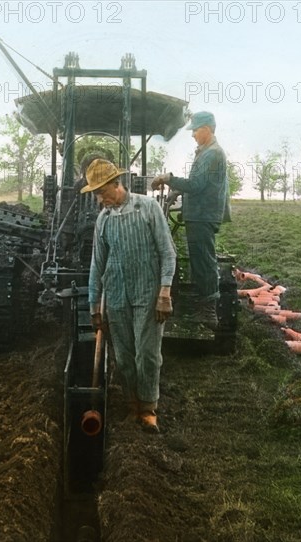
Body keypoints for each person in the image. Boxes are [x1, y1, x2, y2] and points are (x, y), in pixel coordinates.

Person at [81, 158, 177, 433]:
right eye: (97, 195)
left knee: (146, 354)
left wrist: (164, 291)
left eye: (103, 193)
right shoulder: (104, 219)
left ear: (116, 183)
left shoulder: (147, 208)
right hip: (116, 296)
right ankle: (132, 403)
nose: (101, 200)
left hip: (148, 294)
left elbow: (168, 253)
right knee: (123, 357)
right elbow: (97, 264)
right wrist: (94, 305)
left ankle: (148, 408)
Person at [151, 111, 230, 330]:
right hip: (199, 214)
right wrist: (177, 191)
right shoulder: (207, 152)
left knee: (204, 261)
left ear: (206, 129)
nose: (193, 134)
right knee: (199, 261)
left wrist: (169, 179)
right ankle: (203, 306)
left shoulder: (212, 154)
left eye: (195, 130)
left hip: (203, 215)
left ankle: (208, 312)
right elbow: (199, 184)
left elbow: (196, 185)